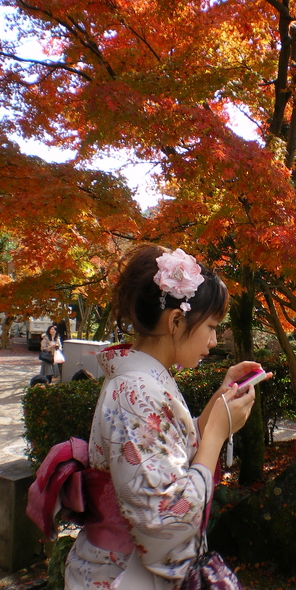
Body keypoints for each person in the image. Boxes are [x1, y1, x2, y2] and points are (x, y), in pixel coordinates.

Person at [63, 245, 261, 590]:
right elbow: (163, 520)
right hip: (126, 575)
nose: (214, 340)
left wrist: (218, 405)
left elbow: (166, 453)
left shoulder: (143, 381)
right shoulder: (136, 392)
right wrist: (216, 435)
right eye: (211, 326)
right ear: (175, 320)